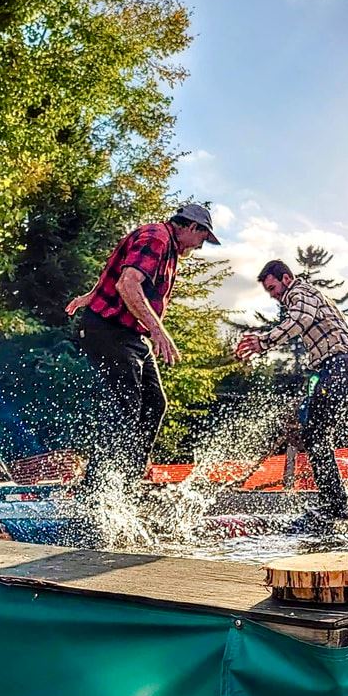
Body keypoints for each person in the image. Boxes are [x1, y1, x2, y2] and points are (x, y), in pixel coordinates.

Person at [65, 203, 220, 494]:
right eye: (202, 238)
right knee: (125, 405)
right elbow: (127, 284)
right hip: (110, 330)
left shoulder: (168, 247)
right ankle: (94, 489)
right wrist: (158, 330)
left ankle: (128, 480)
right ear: (191, 227)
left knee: (154, 403)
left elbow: (117, 271)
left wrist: (93, 293)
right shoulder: (157, 238)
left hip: (131, 335)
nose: (200, 246)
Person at [235, 260, 348, 524]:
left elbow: (299, 319)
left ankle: (337, 505)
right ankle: (336, 502)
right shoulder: (308, 296)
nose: (273, 295)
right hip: (346, 368)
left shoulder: (300, 292)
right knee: (316, 432)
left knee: (316, 433)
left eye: (273, 288)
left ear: (286, 278)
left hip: (342, 366)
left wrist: (264, 342)